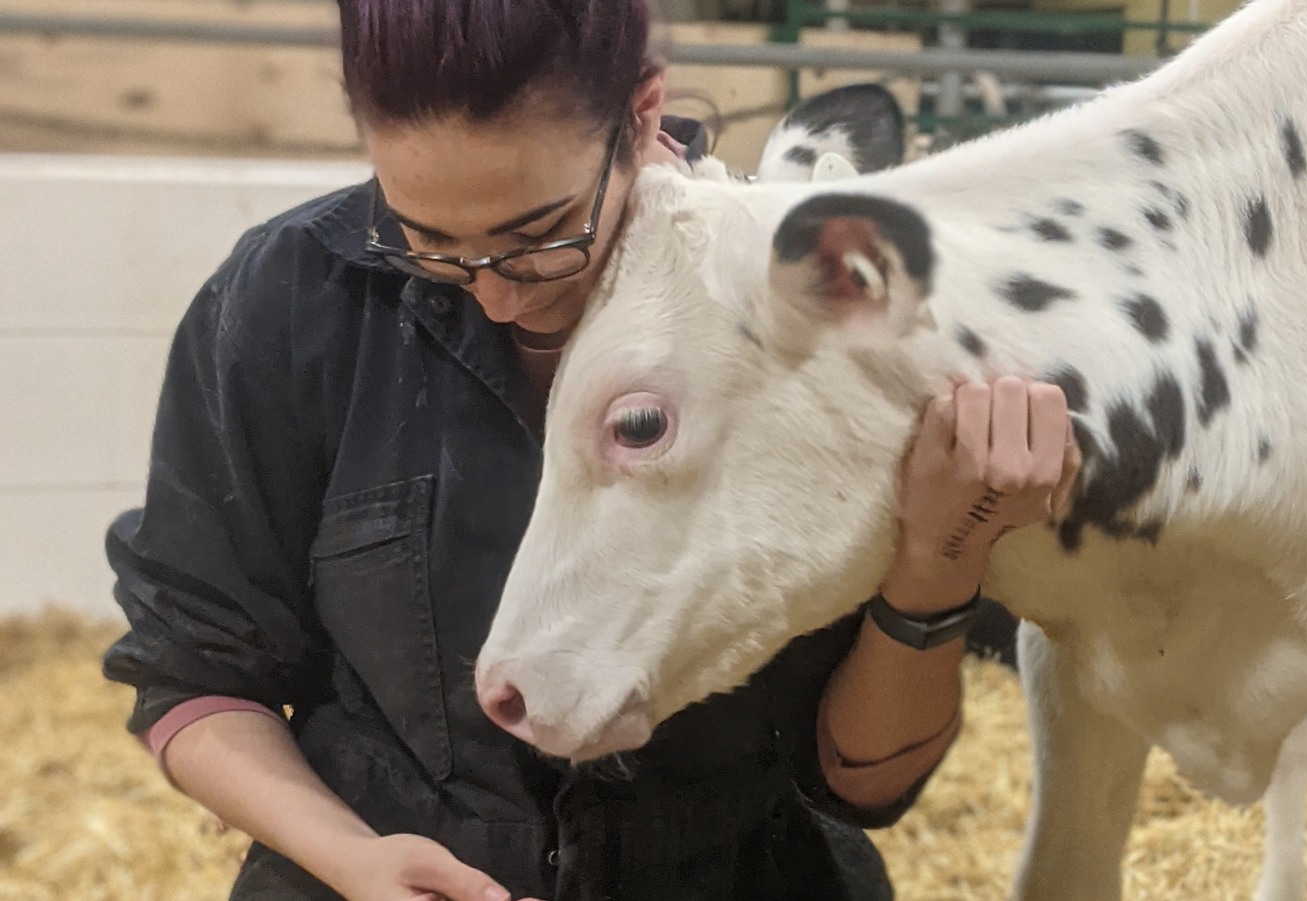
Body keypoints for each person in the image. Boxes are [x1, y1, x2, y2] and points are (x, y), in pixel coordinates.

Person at [100, 2, 1079, 899]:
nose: (494, 295)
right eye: (427, 241)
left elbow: (865, 784)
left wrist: (944, 556)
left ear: (641, 114)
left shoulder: (815, 302)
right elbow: (194, 673)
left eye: (538, 236)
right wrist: (352, 857)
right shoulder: (295, 297)